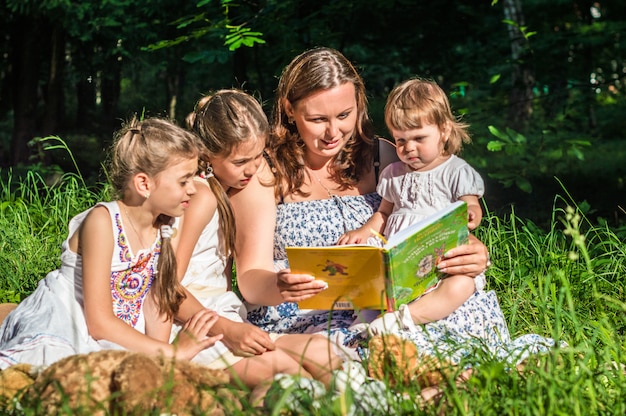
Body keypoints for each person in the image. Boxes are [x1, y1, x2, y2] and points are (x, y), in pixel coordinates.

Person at [227, 47, 492, 360]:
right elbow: (250, 280)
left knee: (455, 338)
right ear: (288, 109)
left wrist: (471, 251)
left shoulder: (384, 157)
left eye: (344, 115)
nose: (333, 132)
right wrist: (280, 284)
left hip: (393, 310)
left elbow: (432, 221)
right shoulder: (263, 171)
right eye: (317, 119)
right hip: (308, 317)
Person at [0, 117, 222, 370]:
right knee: (61, 373)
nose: (193, 189)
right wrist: (171, 353)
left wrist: (160, 361)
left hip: (120, 328)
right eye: (184, 181)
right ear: (144, 184)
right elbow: (99, 322)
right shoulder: (102, 222)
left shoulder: (167, 225)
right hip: (72, 319)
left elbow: (158, 299)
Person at [179, 89, 341, 394]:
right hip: (194, 323)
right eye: (241, 161)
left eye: (258, 156)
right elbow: (165, 285)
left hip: (222, 315)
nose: (253, 169)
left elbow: (222, 281)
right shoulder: (200, 196)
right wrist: (227, 330)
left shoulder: (222, 191)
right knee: (288, 374)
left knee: (325, 353)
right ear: (206, 153)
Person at [338, 77, 486, 327]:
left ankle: (405, 319)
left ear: (444, 131)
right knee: (368, 275)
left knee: (462, 284)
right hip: (400, 257)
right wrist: (364, 231)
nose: (409, 148)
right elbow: (384, 213)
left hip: (438, 258)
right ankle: (365, 325)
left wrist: (471, 212)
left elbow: (471, 204)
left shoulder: (455, 171)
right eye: (400, 140)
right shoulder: (393, 173)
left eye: (419, 138)